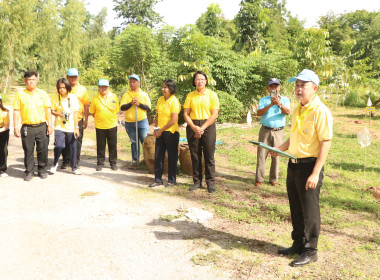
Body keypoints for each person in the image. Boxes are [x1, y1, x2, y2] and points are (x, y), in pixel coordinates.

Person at [270, 69, 333, 267]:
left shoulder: (320, 111)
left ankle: (311, 250)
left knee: (310, 211)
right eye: (296, 85)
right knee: (296, 207)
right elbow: (295, 137)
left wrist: (315, 173)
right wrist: (279, 149)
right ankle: (298, 244)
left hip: (309, 167)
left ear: (314, 88)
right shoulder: (298, 108)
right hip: (293, 164)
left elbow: (326, 142)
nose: (298, 89)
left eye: (302, 85)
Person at [13, 71, 53, 181]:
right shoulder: (20, 94)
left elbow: (47, 110)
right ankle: (29, 171)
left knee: (43, 149)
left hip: (41, 126)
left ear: (37, 80)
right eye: (29, 79)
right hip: (27, 127)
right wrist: (15, 127)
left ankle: (42, 169)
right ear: (25, 80)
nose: (31, 81)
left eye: (33, 79)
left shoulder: (43, 94)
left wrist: (50, 125)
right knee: (28, 150)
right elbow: (16, 110)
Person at [184, 71, 219, 193]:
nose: (199, 81)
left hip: (208, 126)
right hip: (193, 125)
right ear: (194, 82)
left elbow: (214, 114)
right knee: (195, 155)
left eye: (202, 79)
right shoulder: (190, 96)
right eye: (197, 79)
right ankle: (197, 182)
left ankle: (210, 183)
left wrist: (202, 127)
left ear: (206, 81)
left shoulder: (212, 95)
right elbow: (186, 114)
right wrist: (195, 128)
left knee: (209, 155)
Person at [255, 78, 290, 186]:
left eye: (276, 86)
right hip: (265, 130)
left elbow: (287, 112)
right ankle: (259, 179)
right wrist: (270, 104)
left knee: (276, 154)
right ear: (268, 88)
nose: (274, 88)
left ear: (279, 87)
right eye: (271, 86)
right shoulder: (263, 100)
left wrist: (279, 104)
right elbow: (259, 113)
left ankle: (274, 179)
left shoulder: (285, 100)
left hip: (278, 131)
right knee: (262, 154)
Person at [149, 79, 181, 188]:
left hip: (171, 133)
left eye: (165, 87)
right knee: (158, 156)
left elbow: (173, 120)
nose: (163, 89)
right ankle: (158, 179)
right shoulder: (160, 100)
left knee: (172, 157)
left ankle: (171, 180)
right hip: (160, 132)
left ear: (171, 89)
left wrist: (161, 130)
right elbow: (157, 116)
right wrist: (156, 129)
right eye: (162, 87)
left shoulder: (174, 101)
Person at [50, 78, 81, 175]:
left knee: (72, 147)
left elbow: (75, 113)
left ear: (67, 87)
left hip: (71, 126)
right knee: (59, 145)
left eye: (64, 87)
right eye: (60, 88)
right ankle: (55, 164)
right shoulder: (55, 97)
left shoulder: (73, 97)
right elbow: (51, 110)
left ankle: (74, 167)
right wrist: (58, 114)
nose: (62, 90)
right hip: (59, 126)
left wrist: (76, 127)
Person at [120, 74, 151, 168]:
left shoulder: (143, 94)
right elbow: (122, 107)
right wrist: (131, 103)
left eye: (134, 82)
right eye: (130, 82)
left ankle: (148, 161)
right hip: (130, 122)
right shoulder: (126, 95)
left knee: (145, 141)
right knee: (134, 142)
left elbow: (148, 108)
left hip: (142, 121)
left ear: (138, 83)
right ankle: (135, 160)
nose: (132, 83)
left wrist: (139, 104)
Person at [61, 68, 89, 169]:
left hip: (78, 118)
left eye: (75, 76)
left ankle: (75, 161)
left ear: (78, 77)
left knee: (77, 140)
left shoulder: (82, 89)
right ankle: (65, 160)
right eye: (71, 76)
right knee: (64, 139)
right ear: (67, 77)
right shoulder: (63, 87)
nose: (73, 78)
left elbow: (86, 105)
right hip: (65, 119)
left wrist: (86, 120)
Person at [89, 79, 120, 171]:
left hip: (112, 125)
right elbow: (93, 112)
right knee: (100, 145)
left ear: (108, 87)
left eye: (105, 87)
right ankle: (100, 163)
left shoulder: (114, 97)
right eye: (102, 87)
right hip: (100, 126)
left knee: (113, 145)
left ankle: (113, 163)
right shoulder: (95, 98)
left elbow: (117, 110)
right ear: (99, 87)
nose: (104, 89)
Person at [0, 95, 10, 178]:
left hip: (3, 131)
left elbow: (6, 126)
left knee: (3, 150)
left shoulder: (5, 111)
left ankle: (2, 169)